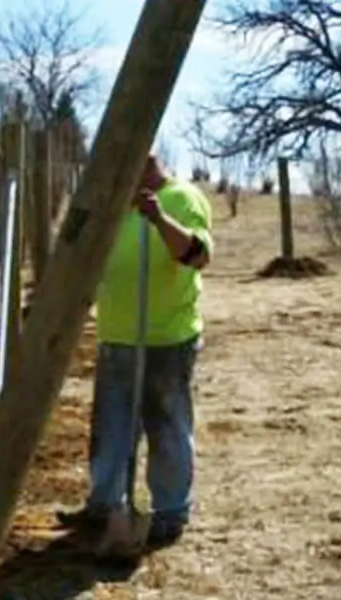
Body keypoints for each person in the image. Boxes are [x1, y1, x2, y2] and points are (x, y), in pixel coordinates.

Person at [57, 153, 214, 549]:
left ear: (144, 168)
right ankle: (106, 504)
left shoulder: (183, 198)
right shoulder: (116, 207)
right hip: (118, 336)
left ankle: (169, 511)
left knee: (166, 425)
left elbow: (197, 256)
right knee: (111, 426)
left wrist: (158, 218)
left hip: (165, 338)